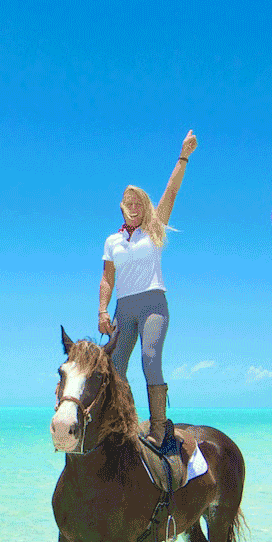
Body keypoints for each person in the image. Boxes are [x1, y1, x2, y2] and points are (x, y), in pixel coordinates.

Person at [98, 131, 198, 454]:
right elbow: (106, 280)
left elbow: (171, 192)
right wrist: (102, 310)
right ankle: (124, 422)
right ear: (122, 208)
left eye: (138, 202)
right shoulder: (112, 242)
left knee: (150, 359)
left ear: (144, 206)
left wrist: (182, 157)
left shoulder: (153, 229)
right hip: (123, 308)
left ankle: (158, 427)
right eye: (128, 204)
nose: (133, 207)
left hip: (154, 303)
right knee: (114, 366)